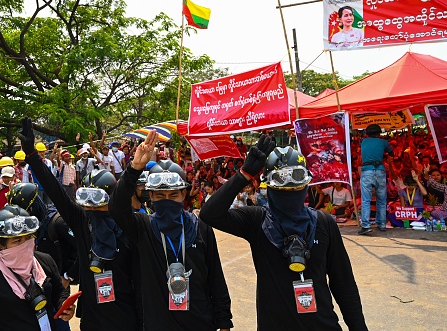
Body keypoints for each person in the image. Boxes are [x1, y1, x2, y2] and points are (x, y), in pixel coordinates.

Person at [200, 137, 368, 330]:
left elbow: (343, 284)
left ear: (305, 184)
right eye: (281, 181)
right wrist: (244, 174)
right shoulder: (258, 221)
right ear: (269, 187)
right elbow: (209, 214)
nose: (289, 189)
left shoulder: (323, 223)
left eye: (295, 181)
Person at [20, 117, 139, 331]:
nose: (92, 208)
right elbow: (55, 191)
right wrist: (32, 156)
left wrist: (134, 170)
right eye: (87, 201)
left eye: (98, 201)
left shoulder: (130, 224)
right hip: (94, 318)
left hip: (128, 317)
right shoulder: (83, 222)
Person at [109, 130, 233, 331]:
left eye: (173, 195)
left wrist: (224, 322)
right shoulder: (143, 227)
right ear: (150, 196)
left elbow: (215, 277)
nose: (167, 201)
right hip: (158, 323)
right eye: (160, 196)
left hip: (199, 322)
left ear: (184, 194)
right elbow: (116, 208)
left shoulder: (201, 227)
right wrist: (134, 169)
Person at [359, 124, 394, 234]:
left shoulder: (363, 142)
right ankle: (382, 223)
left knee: (366, 200)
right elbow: (391, 153)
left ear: (367, 134)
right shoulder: (383, 142)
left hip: (367, 171)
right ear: (379, 133)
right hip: (380, 170)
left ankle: (365, 225)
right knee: (382, 199)